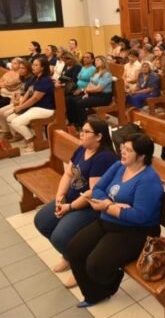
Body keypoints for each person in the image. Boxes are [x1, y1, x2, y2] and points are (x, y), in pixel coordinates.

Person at [67, 133, 163, 308]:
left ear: (141, 156)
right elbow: (98, 189)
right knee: (74, 249)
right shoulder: (119, 166)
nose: (122, 152)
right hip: (109, 220)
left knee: (96, 264)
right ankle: (94, 294)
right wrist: (112, 205)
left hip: (135, 231)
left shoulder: (149, 180)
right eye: (122, 148)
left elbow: (139, 216)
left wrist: (107, 206)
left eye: (128, 150)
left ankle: (111, 282)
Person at [34, 121, 118, 287]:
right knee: (42, 221)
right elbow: (68, 174)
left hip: (89, 207)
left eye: (86, 131)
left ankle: (80, 267)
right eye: (82, 130)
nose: (81, 134)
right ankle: (69, 256)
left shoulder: (104, 158)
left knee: (60, 236)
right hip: (70, 199)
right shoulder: (82, 149)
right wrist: (60, 196)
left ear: (99, 137)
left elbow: (93, 192)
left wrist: (70, 207)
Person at [7, 57, 55, 151]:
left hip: (45, 109)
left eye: (36, 65)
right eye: (33, 64)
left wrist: (21, 107)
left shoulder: (45, 80)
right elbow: (29, 92)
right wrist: (20, 104)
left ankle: (33, 141)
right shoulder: (36, 78)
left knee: (16, 122)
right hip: (35, 107)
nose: (33, 67)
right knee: (10, 119)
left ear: (43, 67)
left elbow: (35, 98)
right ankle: (32, 138)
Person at [67, 56, 113, 128]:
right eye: (95, 60)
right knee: (71, 100)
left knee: (80, 103)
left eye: (98, 60)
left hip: (103, 97)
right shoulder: (96, 72)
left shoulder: (106, 74)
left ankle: (82, 124)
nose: (96, 62)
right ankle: (73, 121)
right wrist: (87, 93)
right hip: (94, 94)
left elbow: (99, 88)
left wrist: (88, 90)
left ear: (103, 62)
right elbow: (90, 83)